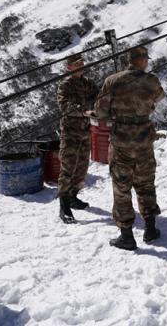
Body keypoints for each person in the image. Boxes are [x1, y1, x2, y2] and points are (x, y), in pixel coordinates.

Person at [93, 46, 165, 250]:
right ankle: (150, 229)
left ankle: (127, 235)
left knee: (121, 187)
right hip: (143, 139)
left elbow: (100, 111)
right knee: (146, 184)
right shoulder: (151, 80)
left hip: (121, 141)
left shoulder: (112, 80)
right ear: (143, 61)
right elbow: (159, 97)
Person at [56, 53, 99, 224]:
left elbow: (99, 97)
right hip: (71, 132)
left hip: (85, 131)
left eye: (81, 62)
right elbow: (65, 106)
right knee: (67, 168)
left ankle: (73, 196)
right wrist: (84, 111)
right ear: (69, 67)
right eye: (76, 63)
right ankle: (64, 205)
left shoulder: (88, 83)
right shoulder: (65, 85)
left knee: (81, 168)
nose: (80, 64)